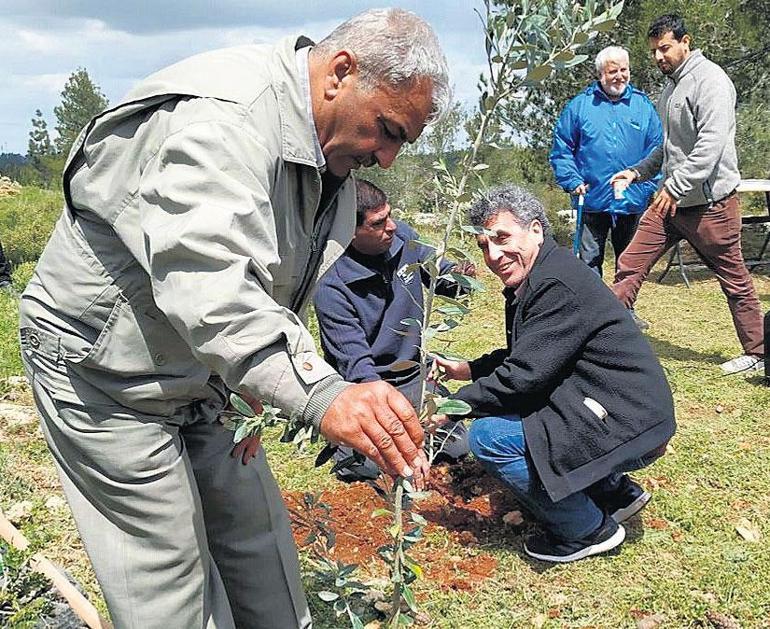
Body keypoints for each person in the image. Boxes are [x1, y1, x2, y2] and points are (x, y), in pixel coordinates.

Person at [18, 9, 449, 628]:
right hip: (105, 373)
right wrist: (323, 394)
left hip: (205, 373)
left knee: (261, 553)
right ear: (341, 73)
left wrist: (256, 390)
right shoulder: (226, 121)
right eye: (386, 129)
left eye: (401, 140)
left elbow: (264, 286)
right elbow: (211, 290)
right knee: (171, 584)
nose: (386, 157)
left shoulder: (329, 155)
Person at [431, 185, 675, 563]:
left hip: (631, 423)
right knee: (533, 412)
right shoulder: (544, 272)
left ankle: (586, 529)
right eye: (484, 245)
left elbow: (524, 374)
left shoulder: (553, 284)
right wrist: (469, 370)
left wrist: (453, 407)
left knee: (489, 437)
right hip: (629, 411)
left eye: (502, 238)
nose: (493, 255)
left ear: (536, 230)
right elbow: (530, 353)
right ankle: (614, 493)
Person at [610, 14, 765, 374]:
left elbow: (710, 147)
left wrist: (676, 186)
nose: (658, 57)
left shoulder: (711, 81)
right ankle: (606, 344)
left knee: (735, 280)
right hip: (672, 202)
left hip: (711, 205)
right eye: (653, 52)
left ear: (685, 41)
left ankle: (758, 354)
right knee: (630, 264)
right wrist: (637, 172)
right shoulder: (670, 88)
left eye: (664, 48)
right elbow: (669, 148)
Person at [314, 178, 471, 480]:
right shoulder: (332, 285)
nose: (392, 226)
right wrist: (399, 432)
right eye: (378, 222)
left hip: (415, 374)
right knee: (371, 469)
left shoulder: (403, 240)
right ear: (350, 230)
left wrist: (459, 276)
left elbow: (443, 277)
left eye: (389, 215)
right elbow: (359, 370)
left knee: (456, 448)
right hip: (369, 388)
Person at [550, 46, 662, 286]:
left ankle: (625, 313)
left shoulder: (643, 107)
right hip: (591, 199)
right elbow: (562, 148)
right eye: (613, 71)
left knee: (630, 262)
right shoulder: (580, 106)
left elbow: (657, 151)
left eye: (624, 70)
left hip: (633, 199)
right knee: (588, 261)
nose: (619, 76)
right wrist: (572, 180)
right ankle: (594, 317)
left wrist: (645, 188)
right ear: (600, 74)